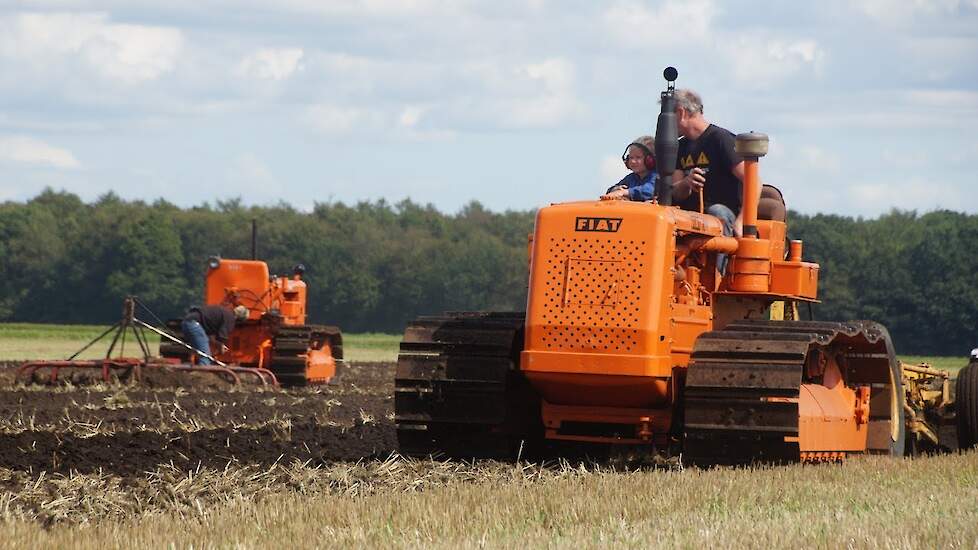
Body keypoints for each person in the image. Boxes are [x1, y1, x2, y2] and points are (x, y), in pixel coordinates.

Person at [668, 89, 762, 239]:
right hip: (690, 220)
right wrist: (686, 183)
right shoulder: (679, 147)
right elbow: (676, 192)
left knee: (717, 211)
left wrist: (741, 222)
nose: (666, 126)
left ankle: (720, 262)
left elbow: (754, 182)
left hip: (722, 217)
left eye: (667, 119)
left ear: (681, 113)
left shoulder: (721, 140)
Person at [181, 304, 248, 365]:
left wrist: (218, 344)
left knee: (199, 352)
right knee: (206, 356)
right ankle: (203, 374)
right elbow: (222, 336)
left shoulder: (225, 312)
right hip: (194, 323)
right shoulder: (230, 318)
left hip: (188, 321)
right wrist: (221, 347)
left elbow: (211, 337)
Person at [601, 136, 657, 201]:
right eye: (631, 157)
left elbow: (650, 190)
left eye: (638, 157)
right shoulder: (631, 178)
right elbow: (611, 190)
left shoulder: (657, 177)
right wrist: (615, 189)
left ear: (650, 160)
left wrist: (625, 192)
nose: (633, 161)